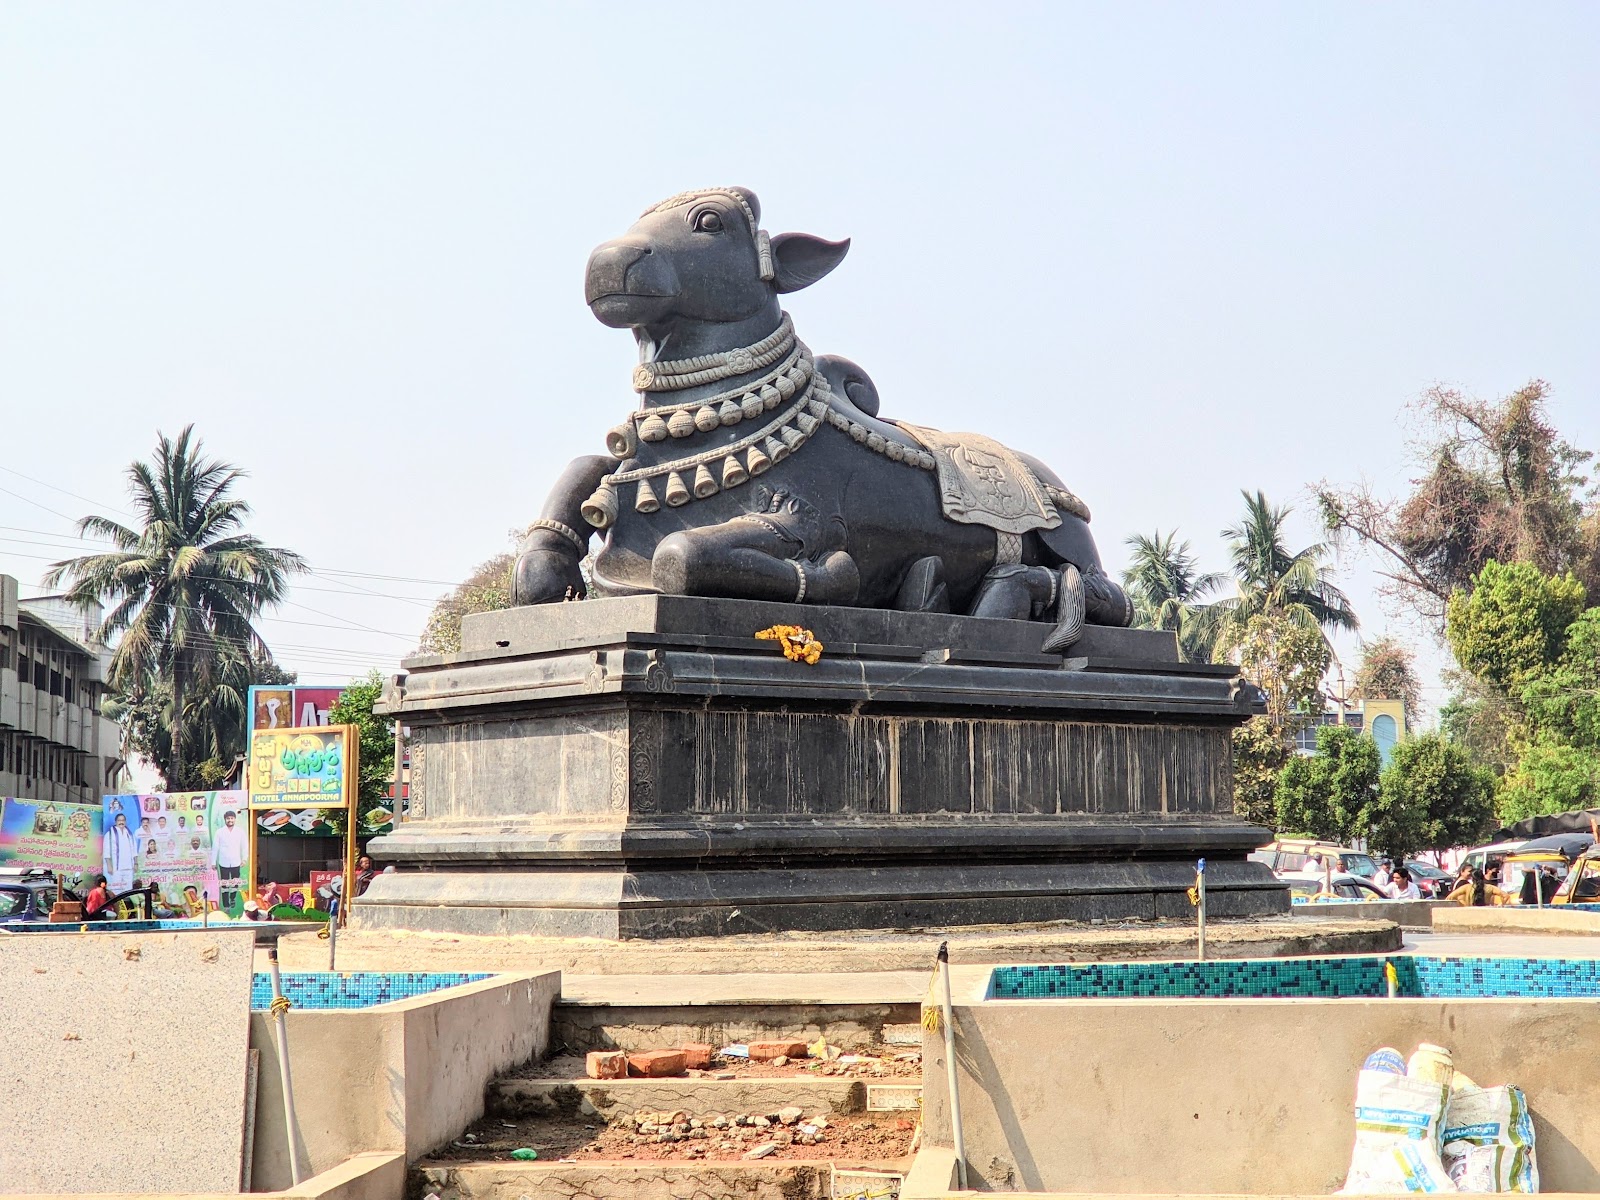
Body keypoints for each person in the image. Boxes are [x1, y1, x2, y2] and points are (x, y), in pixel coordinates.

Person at [212, 810, 248, 908]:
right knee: (224, 884)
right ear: (225, 819)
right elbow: (215, 847)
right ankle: (226, 905)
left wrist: (244, 859)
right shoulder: (219, 832)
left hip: (236, 862)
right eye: (228, 818)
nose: (230, 820)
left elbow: (244, 846)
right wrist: (213, 862)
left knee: (235, 883)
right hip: (223, 862)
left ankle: (232, 898)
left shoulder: (240, 831)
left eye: (232, 818)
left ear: (235, 819)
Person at [103, 811, 138, 893]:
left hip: (129, 867)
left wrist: (136, 864)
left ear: (125, 822)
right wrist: (109, 865)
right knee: (116, 890)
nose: (121, 822)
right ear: (116, 822)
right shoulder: (110, 834)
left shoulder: (129, 834)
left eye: (123, 820)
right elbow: (106, 851)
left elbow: (134, 850)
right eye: (119, 820)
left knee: (128, 890)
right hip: (116, 868)